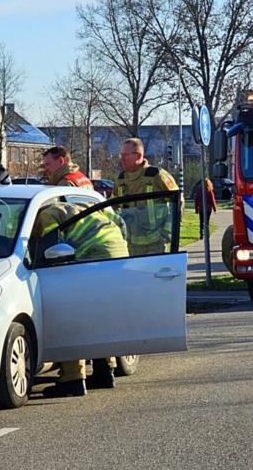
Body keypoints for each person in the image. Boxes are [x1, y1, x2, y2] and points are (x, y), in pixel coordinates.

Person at [34, 201, 129, 397]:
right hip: (119, 256)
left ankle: (72, 379)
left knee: (72, 317)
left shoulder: (45, 216)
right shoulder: (83, 204)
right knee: (100, 316)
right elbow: (121, 222)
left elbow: (50, 247)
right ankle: (105, 371)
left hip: (94, 256)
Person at [112, 137, 181, 256]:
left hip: (156, 243)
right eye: (121, 155)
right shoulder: (121, 179)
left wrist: (168, 231)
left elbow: (178, 201)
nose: (122, 159)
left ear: (138, 156)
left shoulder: (157, 175)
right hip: (130, 244)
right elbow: (112, 208)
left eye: (126, 155)